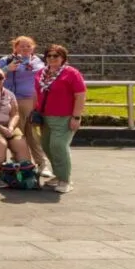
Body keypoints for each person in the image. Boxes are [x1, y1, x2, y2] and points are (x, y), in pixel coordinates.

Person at [0, 36, 51, 178]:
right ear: (15, 48)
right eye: (22, 46)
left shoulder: (39, 61)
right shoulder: (6, 60)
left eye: (28, 46)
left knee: (32, 133)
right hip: (12, 101)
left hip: (31, 101)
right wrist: (7, 68)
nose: (25, 49)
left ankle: (41, 163)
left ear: (33, 47)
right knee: (17, 134)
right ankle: (21, 162)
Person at [34, 45, 86, 194]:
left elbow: (80, 95)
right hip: (45, 116)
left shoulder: (72, 73)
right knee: (46, 145)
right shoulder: (41, 73)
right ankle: (58, 175)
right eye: (49, 56)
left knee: (58, 146)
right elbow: (36, 93)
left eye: (56, 56)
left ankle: (65, 180)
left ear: (63, 58)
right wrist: (35, 112)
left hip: (64, 117)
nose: (52, 58)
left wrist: (76, 116)